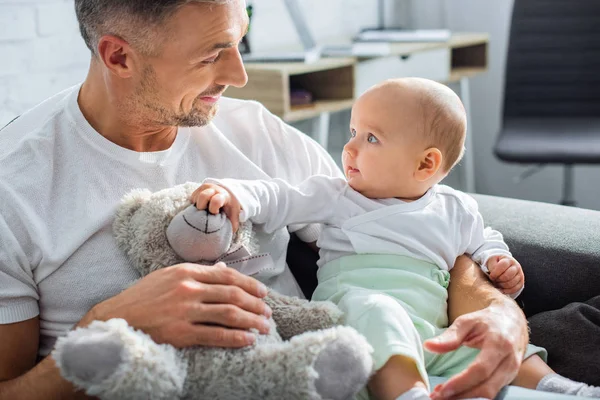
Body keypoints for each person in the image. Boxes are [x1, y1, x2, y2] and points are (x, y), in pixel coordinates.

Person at [0, 1, 538, 399]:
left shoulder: (255, 132)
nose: (238, 75)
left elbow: (400, 219)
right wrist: (111, 322)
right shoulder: (16, 189)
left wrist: (499, 314)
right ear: (119, 55)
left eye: (241, 43)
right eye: (213, 55)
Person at [194, 78, 600, 400]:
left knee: (492, 344)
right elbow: (281, 196)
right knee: (378, 313)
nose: (348, 147)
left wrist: (498, 261)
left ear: (426, 163)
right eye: (353, 132)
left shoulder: (455, 207)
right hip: (358, 310)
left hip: (436, 329)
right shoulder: (337, 195)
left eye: (370, 138)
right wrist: (237, 195)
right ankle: (407, 393)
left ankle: (556, 388)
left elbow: (483, 241)